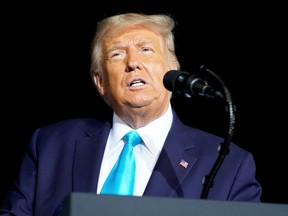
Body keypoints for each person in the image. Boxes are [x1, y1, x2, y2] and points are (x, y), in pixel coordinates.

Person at [0, 12, 262, 216]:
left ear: (173, 69)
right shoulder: (51, 145)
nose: (132, 62)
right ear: (100, 81)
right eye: (117, 54)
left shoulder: (229, 165)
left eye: (145, 49)